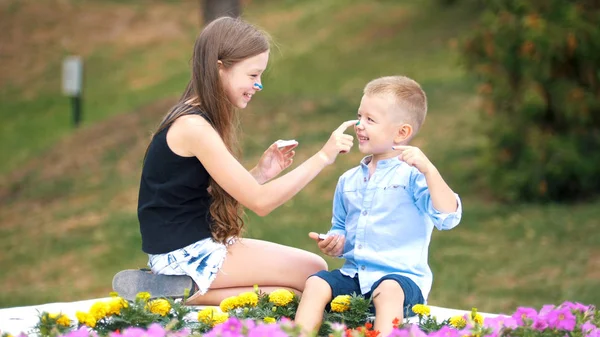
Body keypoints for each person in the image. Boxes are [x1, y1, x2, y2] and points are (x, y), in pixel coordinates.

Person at [112, 16, 358, 305]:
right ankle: (181, 292)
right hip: (186, 255)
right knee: (314, 271)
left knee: (295, 294)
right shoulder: (194, 127)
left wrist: (261, 174)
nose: (259, 85)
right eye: (253, 75)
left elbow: (203, 196)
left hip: (183, 251)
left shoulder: (196, 119)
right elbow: (261, 203)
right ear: (220, 69)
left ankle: (176, 293)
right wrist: (323, 157)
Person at [294, 76, 463, 336]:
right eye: (359, 116)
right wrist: (335, 241)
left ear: (402, 132)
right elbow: (340, 226)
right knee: (316, 283)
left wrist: (430, 170)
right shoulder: (348, 180)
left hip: (401, 280)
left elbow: (448, 218)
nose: (359, 126)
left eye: (370, 120)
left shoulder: (413, 175)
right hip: (355, 276)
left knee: (388, 290)